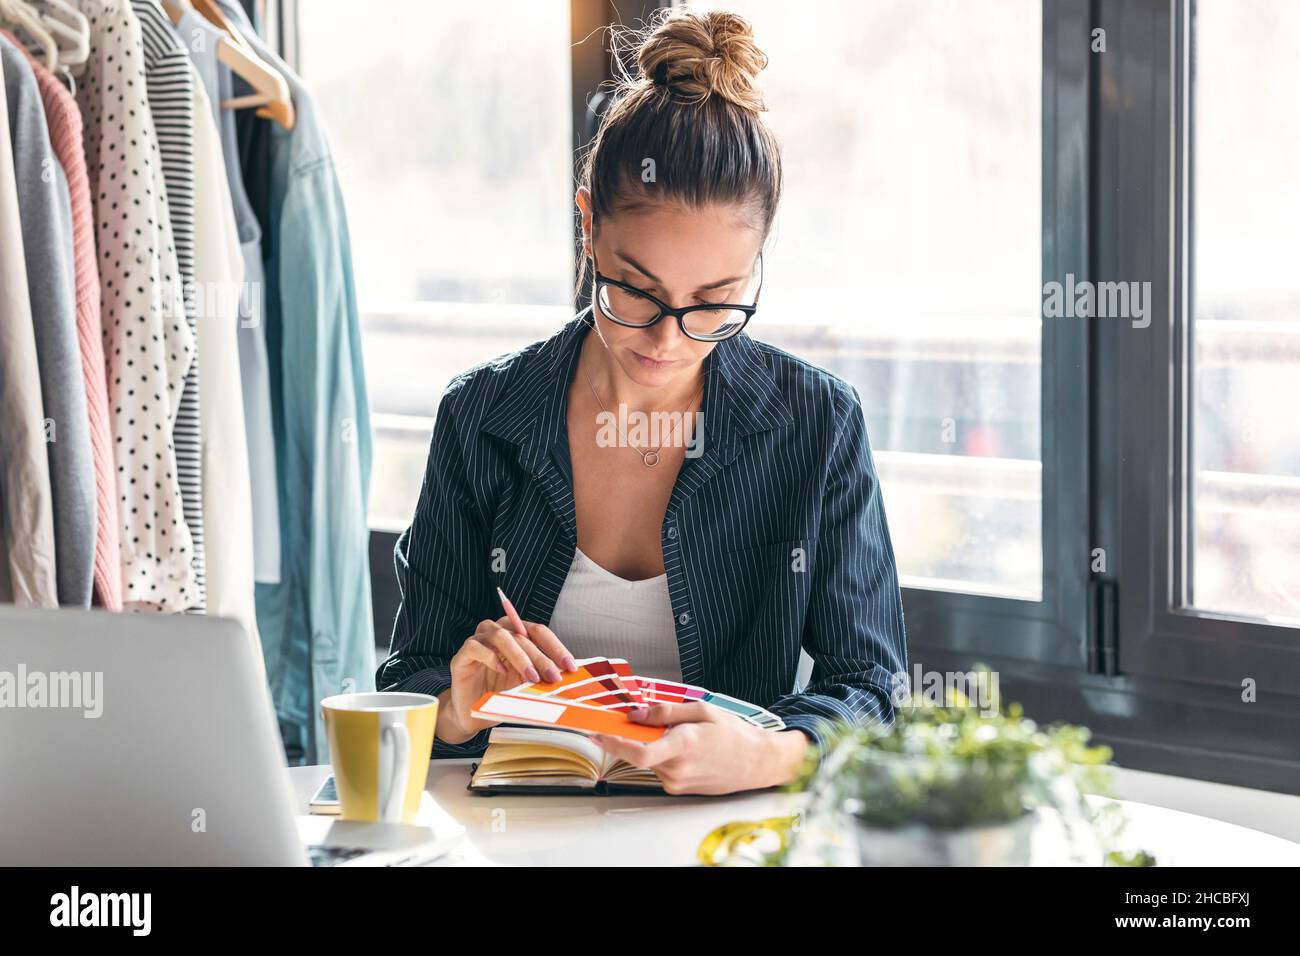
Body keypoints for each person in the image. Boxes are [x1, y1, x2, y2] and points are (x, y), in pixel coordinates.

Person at [377, 8, 907, 795]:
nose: (669, 339)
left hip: (724, 834)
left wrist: (768, 754)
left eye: (715, 302)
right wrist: (457, 705)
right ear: (588, 226)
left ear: (756, 262)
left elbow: (872, 689)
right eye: (637, 291)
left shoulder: (816, 425)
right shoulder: (482, 417)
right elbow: (406, 686)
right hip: (518, 835)